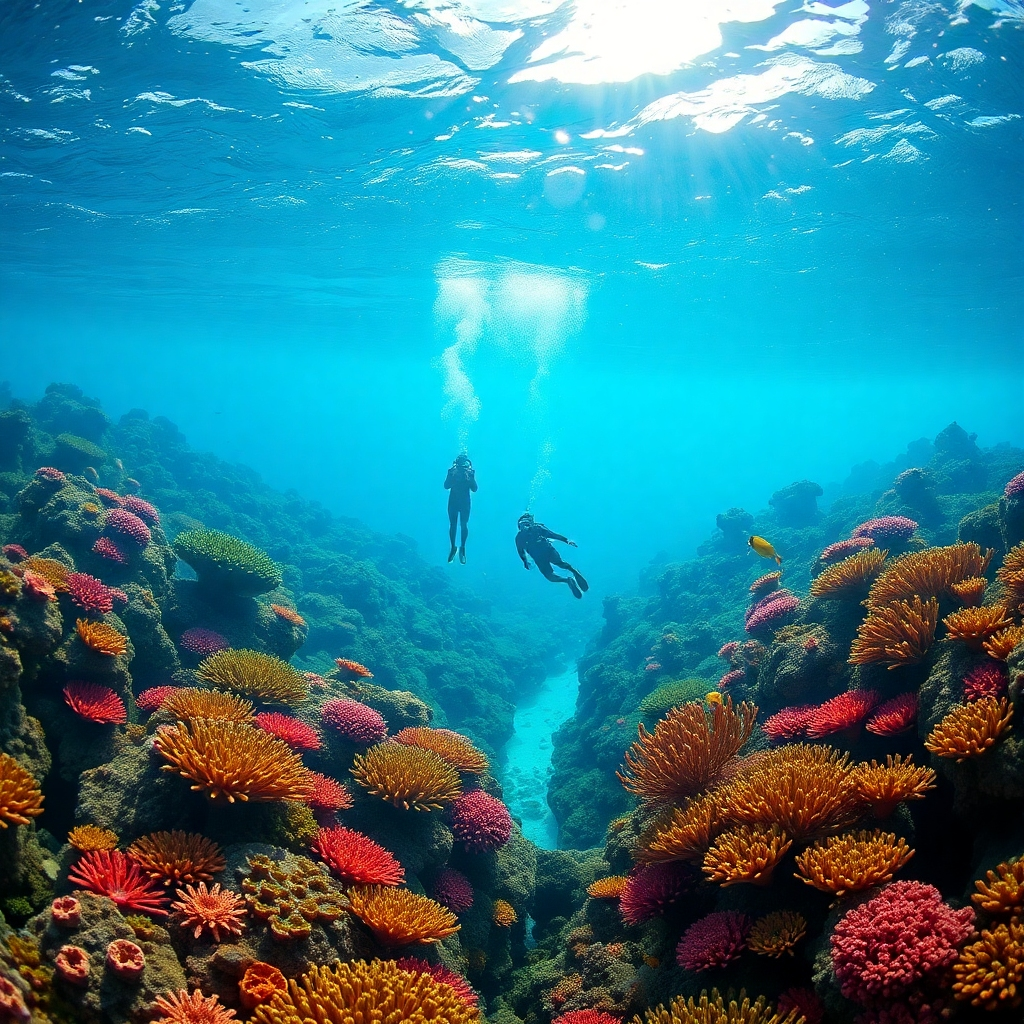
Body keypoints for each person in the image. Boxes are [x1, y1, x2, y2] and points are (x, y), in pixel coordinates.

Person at [515, 512, 589, 598]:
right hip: (545, 553)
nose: (525, 527)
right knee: (556, 568)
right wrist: (566, 540)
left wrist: (525, 561)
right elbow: (552, 535)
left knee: (553, 571)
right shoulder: (532, 531)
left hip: (543, 554)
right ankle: (571, 576)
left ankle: (570, 576)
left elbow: (521, 551)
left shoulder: (526, 533)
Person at [444, 453, 477, 564]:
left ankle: (462, 548)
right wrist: (451, 476)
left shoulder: (469, 473)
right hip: (455, 502)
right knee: (453, 525)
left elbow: (474, 489)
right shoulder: (452, 472)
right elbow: (446, 486)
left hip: (463, 503)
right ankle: (453, 547)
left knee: (463, 525)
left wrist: (471, 477)